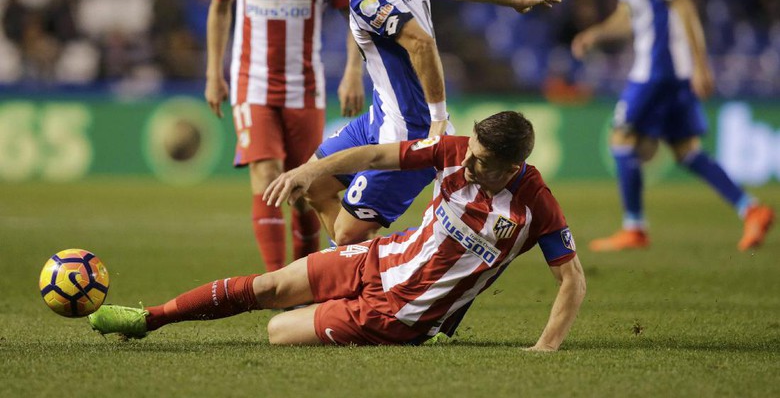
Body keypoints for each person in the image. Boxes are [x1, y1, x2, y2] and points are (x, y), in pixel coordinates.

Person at [88, 111, 586, 348]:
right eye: (470, 149)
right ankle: (148, 319)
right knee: (270, 286)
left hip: (398, 314)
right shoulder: (455, 150)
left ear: (510, 165)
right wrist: (312, 170)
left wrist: (546, 347)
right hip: (380, 257)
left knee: (277, 331)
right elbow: (374, 155)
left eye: (480, 159)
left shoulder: (536, 206)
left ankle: (430, 331)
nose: (467, 159)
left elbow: (572, 279)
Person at [284, 0, 563, 246]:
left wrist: (437, 120)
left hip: (409, 130)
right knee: (316, 183)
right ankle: (357, 275)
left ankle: (399, 269)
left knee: (348, 233)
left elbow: (420, 42)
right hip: (379, 118)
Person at [571, 0, 774, 252]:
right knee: (685, 151)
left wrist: (702, 65)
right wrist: (596, 34)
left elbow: (683, 3)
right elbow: (628, 16)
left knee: (621, 139)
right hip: (666, 67)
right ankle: (751, 209)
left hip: (659, 67)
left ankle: (634, 226)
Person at [205, 0, 365, 271]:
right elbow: (220, 6)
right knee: (266, 178)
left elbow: (352, 14)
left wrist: (352, 71)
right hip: (251, 85)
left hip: (304, 88)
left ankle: (302, 280)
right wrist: (213, 72)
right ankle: (275, 284)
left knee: (303, 189)